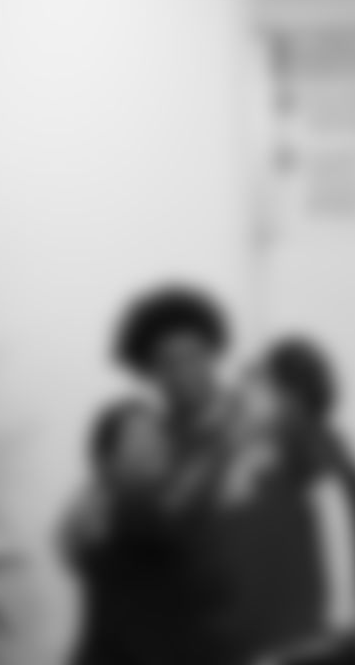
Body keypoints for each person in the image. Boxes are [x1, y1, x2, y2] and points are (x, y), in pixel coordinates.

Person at [64, 284, 329, 665]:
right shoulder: (154, 440)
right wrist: (88, 510)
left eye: (193, 355)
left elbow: (325, 498)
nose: (183, 371)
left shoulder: (264, 418)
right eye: (167, 362)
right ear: (151, 373)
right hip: (183, 639)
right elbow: (89, 528)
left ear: (212, 355)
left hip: (273, 635)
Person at [250, 336, 355, 665]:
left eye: (266, 391)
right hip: (335, 636)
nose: (260, 405)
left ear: (291, 397)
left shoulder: (304, 457)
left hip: (318, 640)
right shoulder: (337, 454)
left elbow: (348, 537)